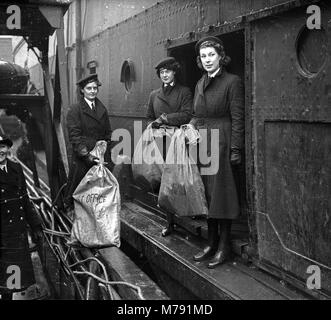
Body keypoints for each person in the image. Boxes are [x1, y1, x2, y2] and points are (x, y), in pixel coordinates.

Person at [189, 36, 244, 268]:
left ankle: (223, 247)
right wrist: (190, 126)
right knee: (207, 194)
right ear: (200, 61)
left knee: (222, 194)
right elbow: (196, 113)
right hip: (202, 142)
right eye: (204, 56)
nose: (208, 59)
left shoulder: (233, 82)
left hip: (221, 141)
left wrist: (235, 149)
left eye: (212, 54)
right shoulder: (200, 83)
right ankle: (211, 243)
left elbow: (238, 117)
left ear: (221, 56)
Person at [146, 57, 193, 237]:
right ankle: (170, 222)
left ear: (174, 72)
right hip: (161, 142)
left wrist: (165, 119)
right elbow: (149, 116)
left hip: (178, 141)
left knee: (181, 179)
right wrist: (153, 128)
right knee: (165, 182)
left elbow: (187, 114)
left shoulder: (184, 92)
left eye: (168, 71)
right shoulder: (154, 95)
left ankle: (187, 216)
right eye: (162, 72)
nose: (165, 75)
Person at [0, 135, 43, 300]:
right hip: (2, 236)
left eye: (3, 147)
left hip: (17, 235)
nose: (0, 151)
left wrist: (36, 225)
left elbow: (25, 199)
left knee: (13, 282)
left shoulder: (16, 168)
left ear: (8, 149)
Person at [65, 74, 113, 209]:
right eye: (89, 88)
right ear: (82, 90)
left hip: (100, 157)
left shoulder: (102, 109)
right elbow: (75, 137)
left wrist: (105, 149)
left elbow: (107, 132)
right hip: (84, 158)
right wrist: (87, 155)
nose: (92, 91)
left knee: (100, 196)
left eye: (95, 88)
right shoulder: (75, 109)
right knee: (80, 193)